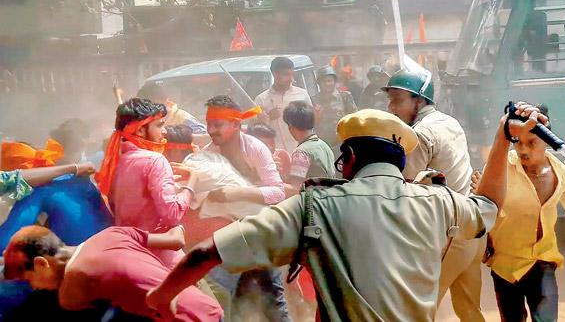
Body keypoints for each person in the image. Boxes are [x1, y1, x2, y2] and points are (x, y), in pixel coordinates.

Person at [145, 108, 509, 321]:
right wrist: (502, 138)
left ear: (347, 159)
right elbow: (490, 205)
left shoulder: (313, 206)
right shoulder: (438, 202)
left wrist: (159, 298)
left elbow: (205, 253)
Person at [471, 104, 565, 322]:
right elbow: (482, 210)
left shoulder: (561, 174)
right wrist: (482, 196)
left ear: (546, 141)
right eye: (518, 142)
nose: (523, 150)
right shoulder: (499, 170)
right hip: (505, 266)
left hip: (542, 263)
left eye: (532, 142)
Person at [384, 69, 483, 321]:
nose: (391, 107)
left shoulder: (419, 135)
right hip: (473, 227)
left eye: (398, 99)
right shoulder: (449, 121)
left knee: (416, 311)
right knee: (469, 310)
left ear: (419, 101)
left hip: (448, 235)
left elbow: (404, 187)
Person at [3, 225, 222, 322]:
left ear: (41, 264)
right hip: (208, 309)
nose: (33, 286)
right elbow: (175, 240)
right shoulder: (112, 233)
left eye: (28, 278)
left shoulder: (72, 288)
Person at [201, 95, 290, 322]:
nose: (211, 130)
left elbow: (278, 191)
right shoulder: (208, 154)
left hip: (260, 231)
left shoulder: (255, 148)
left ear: (236, 124)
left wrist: (238, 192)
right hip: (228, 234)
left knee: (273, 300)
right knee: (225, 294)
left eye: (217, 125)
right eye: (209, 124)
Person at [95, 98, 197, 268]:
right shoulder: (155, 160)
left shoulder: (116, 161)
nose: (164, 132)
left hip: (131, 256)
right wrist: (191, 182)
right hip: (163, 260)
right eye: (159, 125)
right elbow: (172, 214)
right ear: (141, 130)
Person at [0, 141, 111, 252]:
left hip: (82, 258)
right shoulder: (78, 180)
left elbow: (5, 243)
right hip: (113, 245)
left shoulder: (33, 192)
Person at [254, 57, 312, 152]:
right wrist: (268, 117)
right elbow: (253, 131)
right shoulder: (261, 99)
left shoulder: (302, 95)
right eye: (286, 75)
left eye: (292, 75)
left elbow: (311, 124)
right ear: (275, 74)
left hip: (301, 152)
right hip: (275, 155)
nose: (291, 79)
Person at [282, 100, 336, 197]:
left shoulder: (301, 152)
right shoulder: (324, 145)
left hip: (313, 205)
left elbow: (295, 189)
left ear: (290, 127)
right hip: (330, 200)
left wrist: (272, 185)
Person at [137, 82, 207, 135]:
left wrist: (180, 138)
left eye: (156, 105)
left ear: (166, 101)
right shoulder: (140, 121)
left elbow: (206, 136)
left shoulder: (182, 118)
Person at [312, 65, 357, 148]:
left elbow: (354, 119)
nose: (327, 84)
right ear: (319, 83)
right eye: (324, 81)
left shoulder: (345, 97)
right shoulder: (313, 100)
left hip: (343, 143)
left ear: (335, 81)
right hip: (322, 144)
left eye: (329, 81)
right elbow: (311, 124)